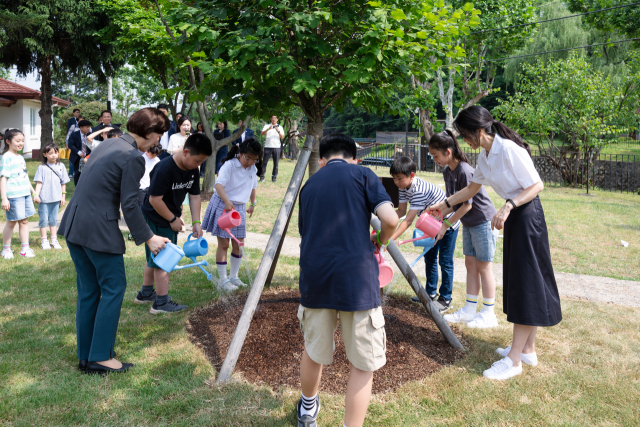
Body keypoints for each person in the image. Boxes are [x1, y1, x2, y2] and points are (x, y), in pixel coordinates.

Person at [428, 105, 562, 380]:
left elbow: (537, 185)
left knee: (525, 283)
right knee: (522, 281)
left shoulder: (510, 150)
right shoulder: (485, 156)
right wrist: (443, 205)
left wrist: (509, 205)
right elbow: (471, 189)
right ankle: (527, 350)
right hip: (514, 216)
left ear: (479, 131)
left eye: (465, 135)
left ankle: (514, 361)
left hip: (526, 215)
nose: (463, 141)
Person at [58, 107, 171, 375]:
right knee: (113, 287)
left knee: (88, 291)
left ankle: (86, 357)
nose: (159, 141)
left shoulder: (107, 144)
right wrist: (150, 237)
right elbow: (130, 205)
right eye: (159, 134)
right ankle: (99, 358)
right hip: (97, 231)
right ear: (149, 132)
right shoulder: (133, 157)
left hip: (75, 226)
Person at [296, 133, 397, 427]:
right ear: (354, 158)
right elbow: (390, 220)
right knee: (363, 363)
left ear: (322, 161)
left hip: (315, 276)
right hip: (357, 279)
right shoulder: (363, 174)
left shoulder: (308, 186)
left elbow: (306, 232)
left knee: (314, 351)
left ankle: (307, 411)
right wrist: (380, 239)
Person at [428, 130, 499, 328]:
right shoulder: (447, 172)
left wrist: (445, 225)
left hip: (484, 221)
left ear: (448, 152)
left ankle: (488, 313)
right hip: (469, 223)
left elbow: (467, 204)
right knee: (470, 265)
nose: (435, 160)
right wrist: (439, 213)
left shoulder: (465, 171)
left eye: (436, 156)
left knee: (484, 267)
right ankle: (469, 310)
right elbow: (453, 202)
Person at [136, 133, 211, 313]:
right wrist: (172, 219)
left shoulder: (192, 169)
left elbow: (194, 196)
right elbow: (155, 199)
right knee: (165, 259)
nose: (198, 165)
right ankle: (161, 303)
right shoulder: (165, 168)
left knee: (153, 257)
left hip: (169, 217)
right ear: (185, 152)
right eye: (198, 161)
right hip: (156, 217)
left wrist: (196, 221)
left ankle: (146, 294)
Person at [389, 156, 459, 312]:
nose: (397, 182)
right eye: (394, 179)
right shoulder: (402, 187)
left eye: (399, 178)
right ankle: (430, 293)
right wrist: (384, 218)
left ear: (411, 176)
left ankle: (446, 298)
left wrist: (390, 240)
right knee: (430, 257)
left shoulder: (418, 190)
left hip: (448, 223)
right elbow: (401, 211)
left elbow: (407, 221)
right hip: (430, 223)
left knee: (445, 260)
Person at [202, 138, 262, 291]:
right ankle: (223, 280)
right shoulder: (229, 165)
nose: (250, 162)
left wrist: (253, 204)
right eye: (247, 158)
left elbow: (252, 187)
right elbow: (218, 185)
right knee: (224, 244)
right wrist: (227, 202)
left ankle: (233, 277)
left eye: (254, 160)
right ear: (240, 153)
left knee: (238, 244)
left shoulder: (252, 168)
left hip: (239, 207)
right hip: (224, 205)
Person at [1, 129, 37, 259]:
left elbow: (24, 177)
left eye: (22, 140)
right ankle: (6, 250)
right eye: (18, 141)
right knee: (11, 222)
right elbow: (3, 178)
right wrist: (4, 198)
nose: (21, 143)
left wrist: (33, 192)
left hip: (25, 194)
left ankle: (25, 248)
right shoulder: (6, 157)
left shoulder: (21, 157)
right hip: (14, 195)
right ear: (8, 141)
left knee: (24, 221)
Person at [33, 143, 70, 250]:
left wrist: (63, 197)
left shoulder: (61, 166)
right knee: (43, 220)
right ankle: (44, 241)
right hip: (44, 199)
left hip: (56, 198)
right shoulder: (42, 167)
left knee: (53, 220)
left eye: (56, 152)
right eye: (50, 153)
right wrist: (36, 195)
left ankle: (54, 240)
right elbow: (39, 183)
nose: (54, 155)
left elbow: (63, 182)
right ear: (44, 154)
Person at [68, 120, 93, 186]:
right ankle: (77, 188)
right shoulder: (74, 134)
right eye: (86, 127)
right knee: (77, 173)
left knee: (88, 173)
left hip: (88, 157)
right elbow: (71, 145)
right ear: (81, 127)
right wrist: (78, 152)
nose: (88, 129)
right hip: (77, 157)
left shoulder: (90, 135)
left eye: (89, 127)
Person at [260, 115, 284, 182]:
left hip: (276, 147)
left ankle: (274, 178)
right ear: (270, 119)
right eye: (272, 118)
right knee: (264, 162)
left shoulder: (280, 127)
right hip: (268, 146)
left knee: (276, 163)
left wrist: (278, 130)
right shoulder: (267, 126)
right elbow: (262, 134)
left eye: (275, 118)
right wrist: (268, 129)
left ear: (277, 119)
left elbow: (282, 137)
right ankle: (262, 177)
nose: (273, 119)